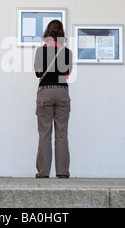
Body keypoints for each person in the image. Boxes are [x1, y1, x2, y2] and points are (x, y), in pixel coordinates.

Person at [34, 20, 73, 179]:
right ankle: (62, 172)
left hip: (45, 92)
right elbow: (67, 73)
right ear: (62, 33)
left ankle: (43, 173)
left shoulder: (40, 51)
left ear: (47, 33)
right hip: (62, 91)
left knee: (44, 134)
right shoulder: (67, 52)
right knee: (62, 134)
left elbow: (38, 73)